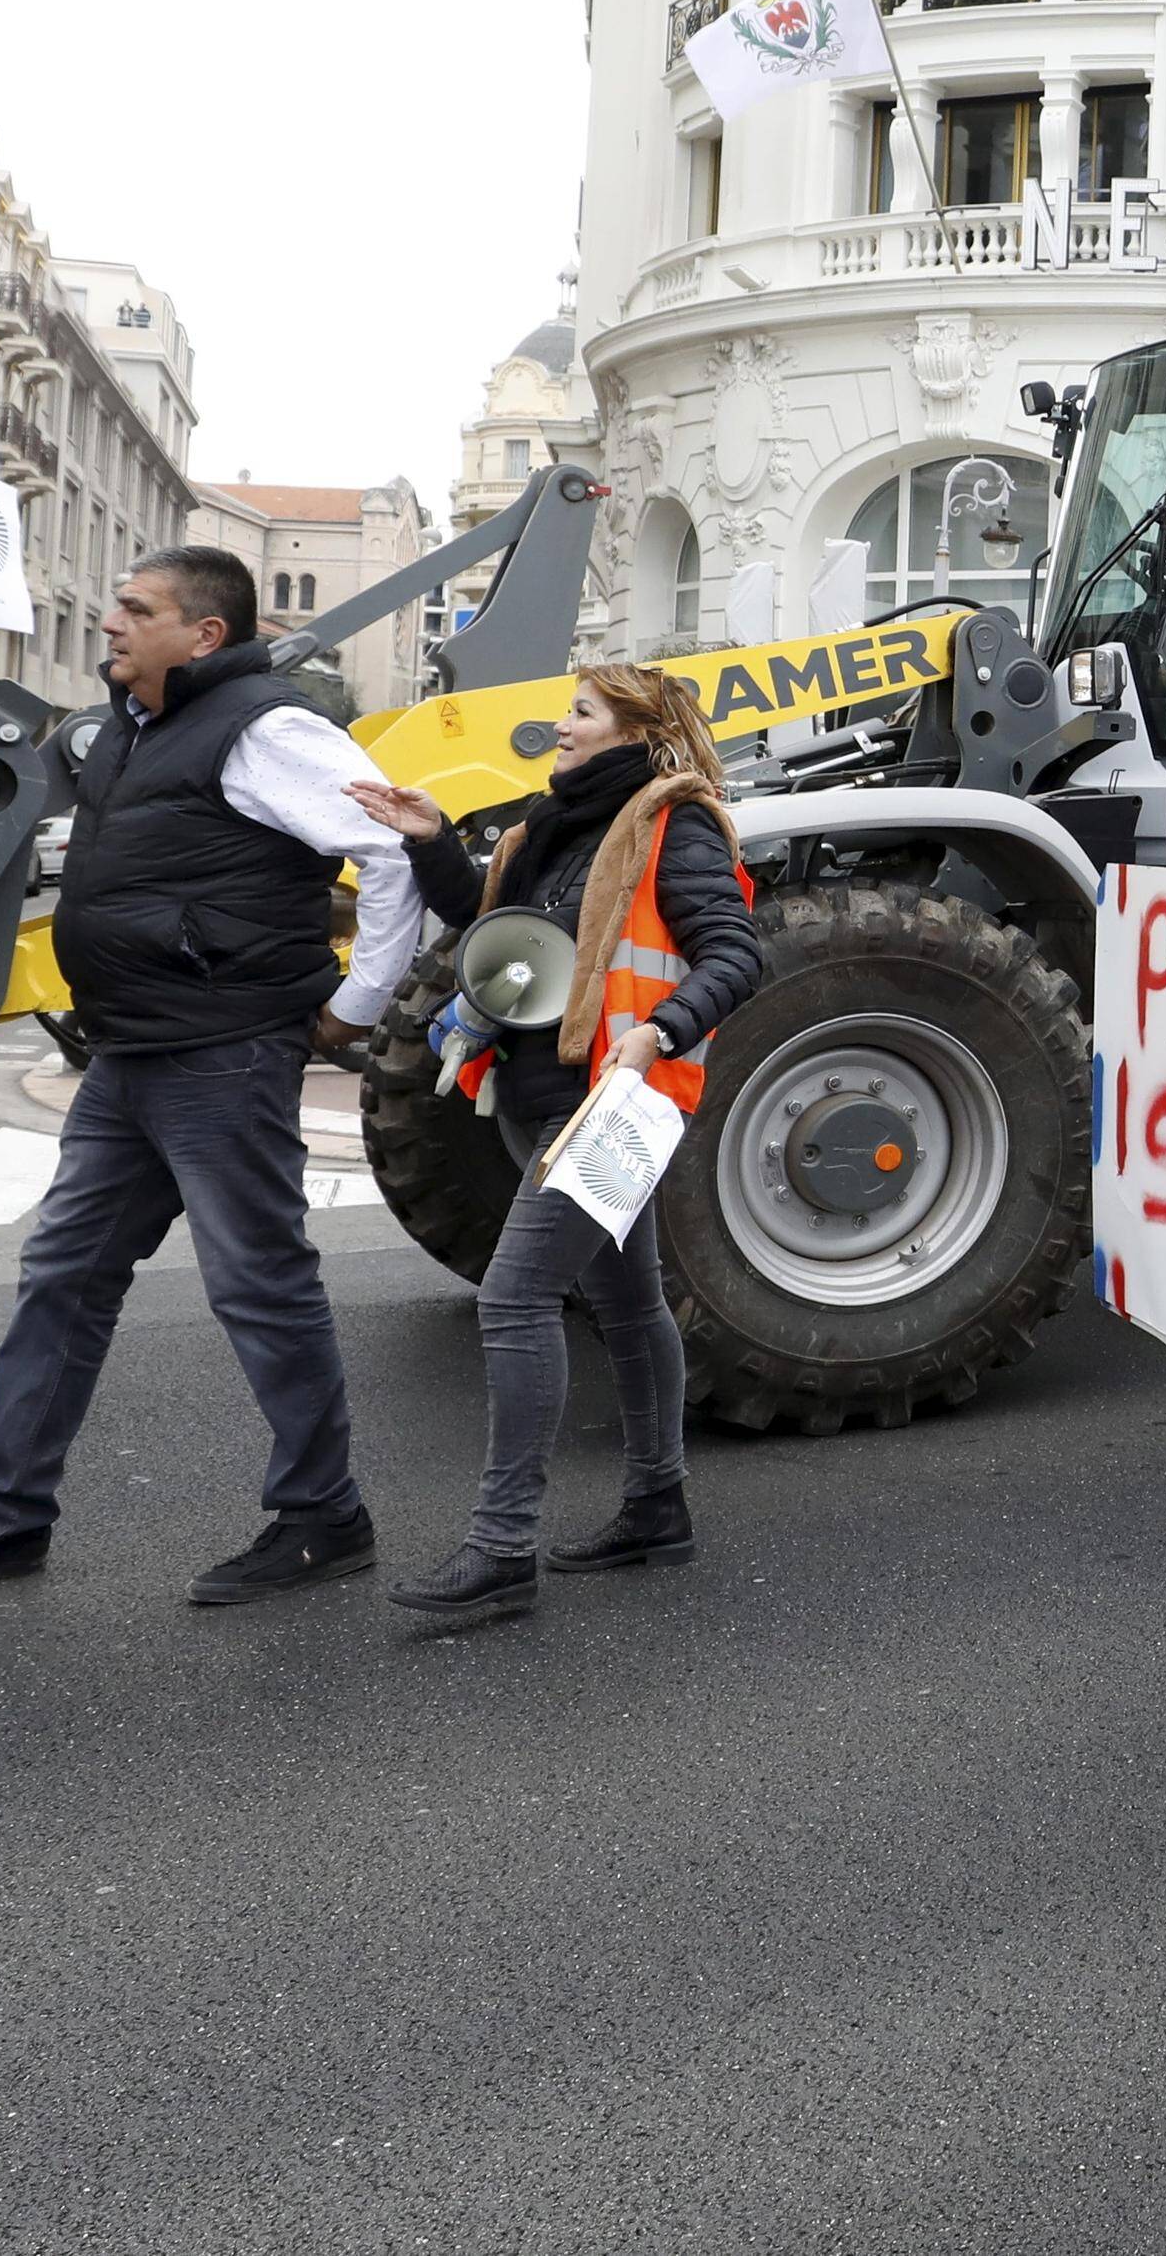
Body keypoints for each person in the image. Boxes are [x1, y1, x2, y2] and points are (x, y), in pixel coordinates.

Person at [0, 548, 432, 1602]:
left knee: (259, 1283)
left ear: (203, 634)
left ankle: (323, 1514)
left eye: (136, 608)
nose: (111, 620)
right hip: (133, 1053)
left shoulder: (271, 728)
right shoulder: (131, 728)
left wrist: (357, 1005)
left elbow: (390, 855)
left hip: (225, 1050)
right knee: (63, 1275)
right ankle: (3, 1516)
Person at [348, 664, 760, 1628]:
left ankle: (500, 1547)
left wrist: (659, 1031)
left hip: (614, 1106)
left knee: (517, 1294)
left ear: (633, 733)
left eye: (580, 712)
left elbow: (736, 951)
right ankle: (658, 1505)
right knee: (626, 1297)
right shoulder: (550, 831)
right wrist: (432, 840)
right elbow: (497, 938)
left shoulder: (673, 824)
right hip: (541, 1098)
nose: (559, 726)